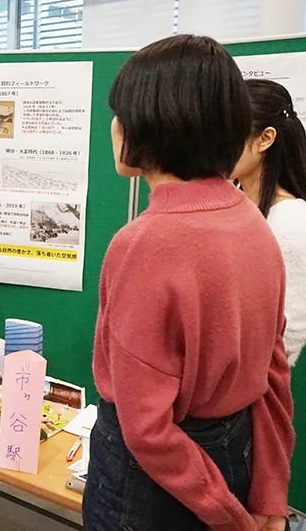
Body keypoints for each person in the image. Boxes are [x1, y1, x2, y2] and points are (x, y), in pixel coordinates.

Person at [83, 35, 294, 531]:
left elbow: (149, 429)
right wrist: (267, 498)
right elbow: (274, 375)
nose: (113, 126)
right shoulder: (254, 223)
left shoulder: (144, 243)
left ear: (150, 124)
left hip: (154, 478)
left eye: (121, 113)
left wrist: (231, 519)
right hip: (233, 450)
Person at [233, 79, 306, 368]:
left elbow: (288, 335)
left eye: (228, 134)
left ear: (265, 139)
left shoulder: (292, 222)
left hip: (253, 391)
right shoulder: (231, 202)